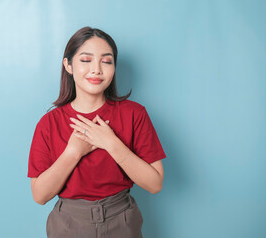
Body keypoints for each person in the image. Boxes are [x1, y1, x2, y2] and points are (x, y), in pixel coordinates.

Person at [27, 26, 167, 238]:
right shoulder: (48, 123)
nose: (96, 69)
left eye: (106, 61)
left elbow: (155, 183)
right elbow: (40, 195)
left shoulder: (134, 114)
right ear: (68, 65)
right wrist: (73, 152)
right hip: (67, 225)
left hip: (122, 221)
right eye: (86, 60)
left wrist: (112, 143)